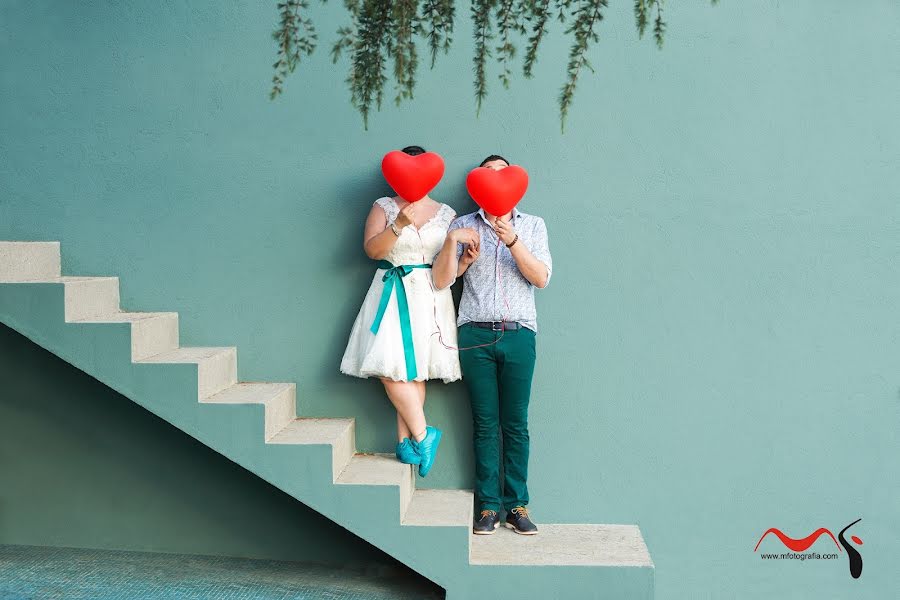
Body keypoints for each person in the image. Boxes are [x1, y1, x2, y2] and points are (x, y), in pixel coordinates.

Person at [432, 154, 552, 535]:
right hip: (474, 334)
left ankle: (516, 505)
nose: (496, 180)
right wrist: (461, 255)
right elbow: (441, 281)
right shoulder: (462, 225)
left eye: (503, 173)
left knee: (515, 424)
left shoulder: (533, 225)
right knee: (484, 424)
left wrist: (512, 240)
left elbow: (541, 278)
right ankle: (487, 508)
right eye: (489, 174)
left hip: (519, 334)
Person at [340, 145, 477, 477]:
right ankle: (424, 434)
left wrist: (462, 264)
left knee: (415, 370)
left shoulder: (446, 213)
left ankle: (405, 444)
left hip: (430, 294)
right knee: (388, 366)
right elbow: (372, 250)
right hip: (392, 289)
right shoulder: (383, 207)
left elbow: (445, 271)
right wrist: (397, 225)